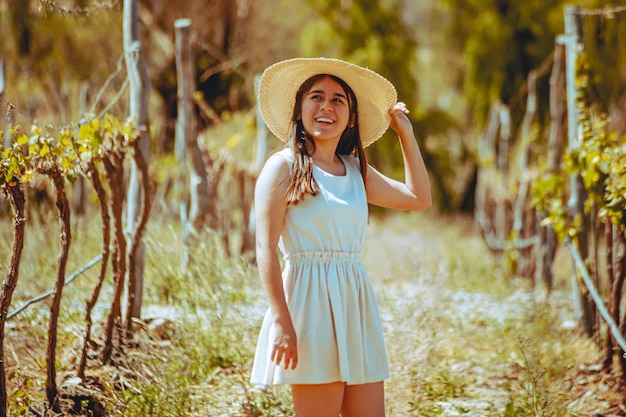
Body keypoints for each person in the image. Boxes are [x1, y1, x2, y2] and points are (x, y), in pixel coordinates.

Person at [250, 57, 432, 417]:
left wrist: (404, 134)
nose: (326, 107)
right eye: (316, 97)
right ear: (299, 109)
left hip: (355, 303)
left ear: (351, 117)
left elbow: (419, 198)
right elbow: (265, 249)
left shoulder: (355, 169)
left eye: (338, 100)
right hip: (309, 307)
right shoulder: (282, 167)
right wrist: (283, 323)